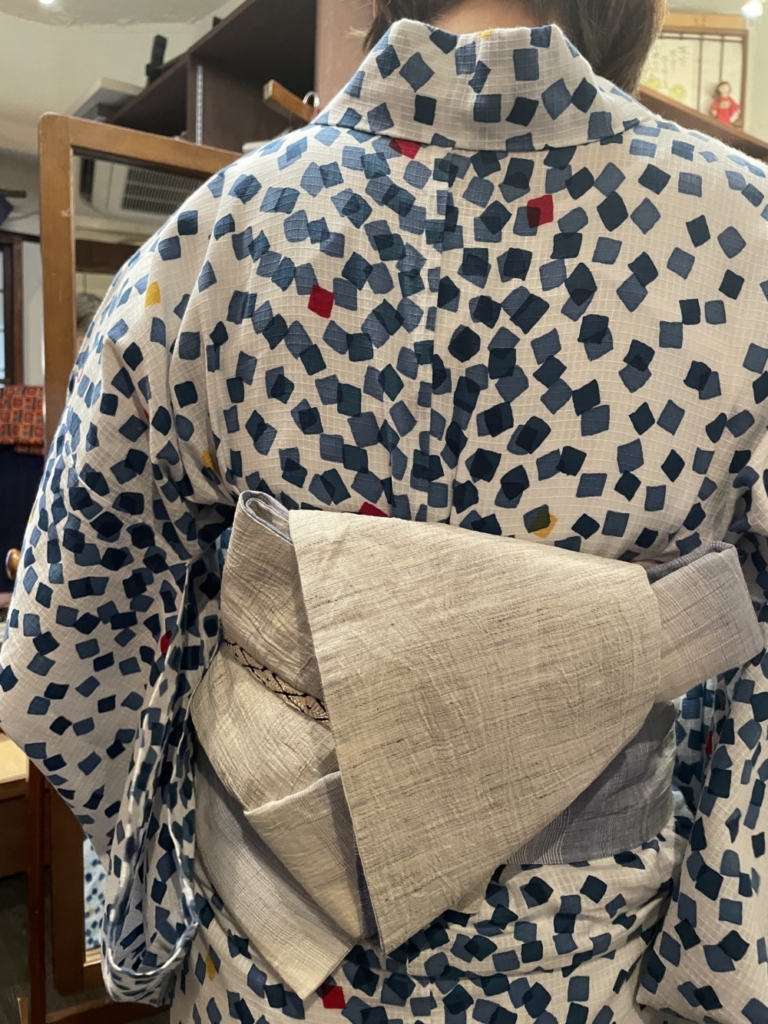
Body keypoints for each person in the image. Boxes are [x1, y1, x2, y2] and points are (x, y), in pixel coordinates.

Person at [1, 0, 768, 1021]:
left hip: (269, 967)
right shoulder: (742, 241)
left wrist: (205, 846)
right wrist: (718, 941)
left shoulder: (217, 237)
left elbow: (66, 655)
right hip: (586, 969)